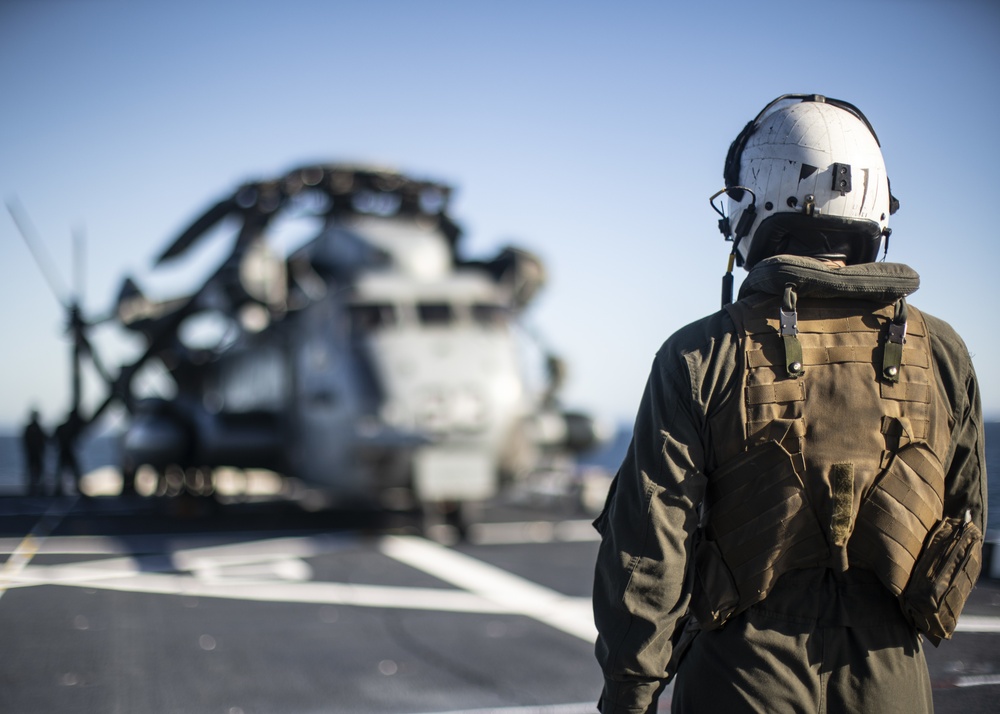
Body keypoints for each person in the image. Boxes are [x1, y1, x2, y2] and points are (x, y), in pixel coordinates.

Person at [592, 94, 986, 713]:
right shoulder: (942, 350)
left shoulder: (701, 352)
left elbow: (648, 543)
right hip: (892, 674)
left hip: (743, 671)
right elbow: (966, 516)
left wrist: (630, 692)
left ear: (756, 202)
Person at [53, 410, 85, 496]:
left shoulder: (63, 428)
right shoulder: (67, 428)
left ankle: (60, 488)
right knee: (65, 471)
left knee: (70, 471)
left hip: (66, 452)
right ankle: (59, 488)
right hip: (65, 452)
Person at [22, 409, 48, 496]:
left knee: (37, 471)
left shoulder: (35, 428)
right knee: (33, 471)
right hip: (34, 454)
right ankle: (34, 488)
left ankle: (37, 488)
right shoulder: (33, 428)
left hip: (36, 454)